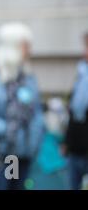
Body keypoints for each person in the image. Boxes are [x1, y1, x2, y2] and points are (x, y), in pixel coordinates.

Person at [0, 22, 44, 190]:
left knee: (16, 186)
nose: (30, 50)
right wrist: (8, 129)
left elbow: (36, 110)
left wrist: (35, 136)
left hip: (21, 154)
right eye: (26, 45)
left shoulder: (25, 74)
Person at [65, 32, 88, 189]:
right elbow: (74, 112)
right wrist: (67, 141)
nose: (84, 51)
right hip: (76, 149)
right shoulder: (82, 74)